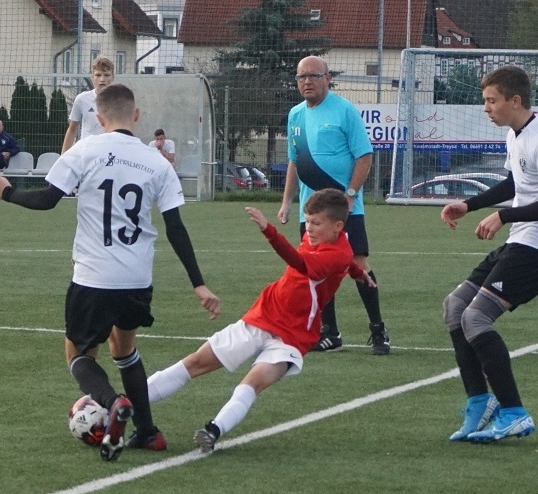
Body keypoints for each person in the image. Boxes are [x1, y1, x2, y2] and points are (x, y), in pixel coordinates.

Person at [0, 84, 221, 461]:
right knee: (125, 351)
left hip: (94, 276)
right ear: (136, 115)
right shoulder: (156, 162)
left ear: (98, 118)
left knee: (78, 355)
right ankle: (148, 432)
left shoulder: (85, 150)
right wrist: (199, 284)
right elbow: (176, 228)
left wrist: (7, 192)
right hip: (136, 279)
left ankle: (114, 404)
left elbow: (47, 199)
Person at [145, 189, 375, 453]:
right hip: (262, 316)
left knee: (253, 382)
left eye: (316, 223)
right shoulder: (334, 242)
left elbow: (300, 261)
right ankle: (127, 403)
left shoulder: (337, 254)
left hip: (292, 337)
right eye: (308, 221)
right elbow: (346, 262)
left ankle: (213, 430)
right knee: (195, 363)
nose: (309, 228)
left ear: (338, 226)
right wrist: (358, 272)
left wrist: (269, 230)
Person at [440, 65, 538, 443]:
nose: (486, 108)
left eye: (491, 101)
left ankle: (514, 412)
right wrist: (469, 205)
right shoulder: (516, 136)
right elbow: (515, 184)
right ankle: (480, 401)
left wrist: (503, 216)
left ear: (515, 100)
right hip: (521, 242)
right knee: (455, 307)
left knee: (476, 317)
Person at [278, 55, 390, 355]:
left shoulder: (344, 110)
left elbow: (364, 155)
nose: (307, 81)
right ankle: (330, 333)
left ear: (327, 79)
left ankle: (378, 329)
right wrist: (287, 201)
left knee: (358, 263)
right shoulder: (295, 115)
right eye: (301, 77)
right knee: (317, 268)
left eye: (313, 76)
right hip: (311, 209)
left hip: (343, 208)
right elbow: (294, 161)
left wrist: (350, 195)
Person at [61, 56, 115, 153]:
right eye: (98, 75)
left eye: (106, 75)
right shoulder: (82, 99)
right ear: (92, 77)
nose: (102, 79)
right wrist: (63, 156)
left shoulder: (119, 101)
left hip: (109, 153)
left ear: (112, 77)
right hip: (87, 153)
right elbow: (72, 129)